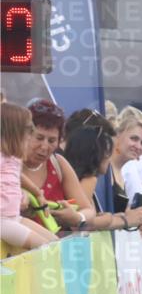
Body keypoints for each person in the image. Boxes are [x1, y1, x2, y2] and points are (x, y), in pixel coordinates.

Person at [62, 109, 142, 232]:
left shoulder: (71, 169)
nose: (138, 146)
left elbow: (84, 218)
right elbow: (81, 222)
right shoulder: (89, 178)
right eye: (134, 139)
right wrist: (115, 219)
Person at [20, 99, 93, 233]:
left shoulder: (58, 164)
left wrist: (77, 217)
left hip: (54, 250)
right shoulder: (7, 164)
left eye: (52, 140)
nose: (44, 147)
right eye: (39, 138)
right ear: (24, 134)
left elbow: (88, 210)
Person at [1, 102, 58, 249]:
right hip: (3, 221)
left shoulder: (13, 157)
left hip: (14, 217)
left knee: (56, 243)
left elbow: (18, 176)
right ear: (13, 133)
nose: (29, 136)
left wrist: (36, 192)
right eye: (27, 133)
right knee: (45, 248)